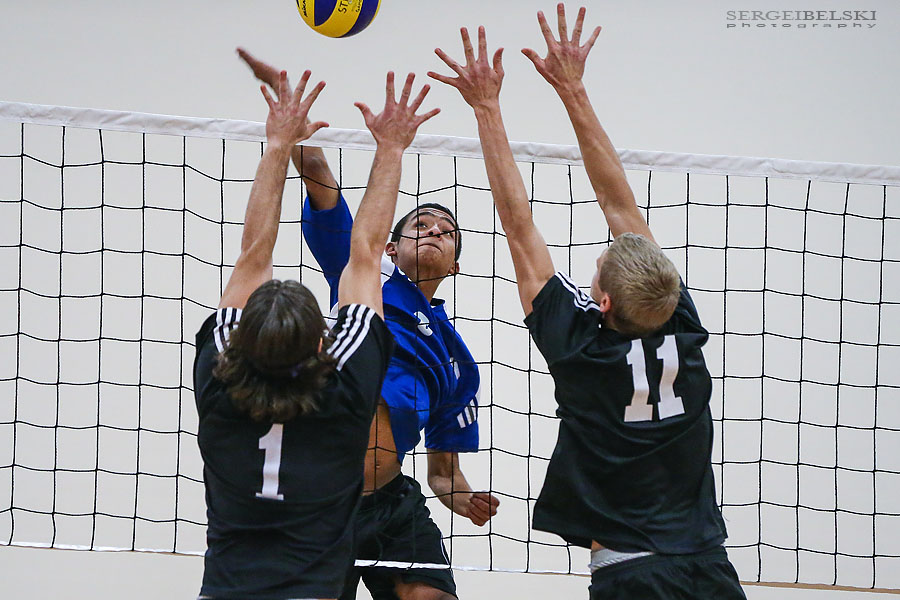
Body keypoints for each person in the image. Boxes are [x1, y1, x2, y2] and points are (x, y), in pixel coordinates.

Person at [428, 5, 746, 599]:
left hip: (632, 572)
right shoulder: (680, 322)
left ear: (600, 302)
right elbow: (622, 207)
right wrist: (574, 89)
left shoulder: (578, 349)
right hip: (709, 562)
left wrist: (487, 108)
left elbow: (519, 229)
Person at [238, 50, 499, 600]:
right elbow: (321, 186)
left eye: (446, 230)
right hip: (321, 498)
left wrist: (465, 498)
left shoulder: (457, 360)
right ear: (393, 245)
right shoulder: (365, 276)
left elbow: (443, 474)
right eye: (418, 224)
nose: (432, 230)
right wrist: (297, 133)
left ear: (455, 262)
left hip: (391, 504)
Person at [193, 66, 439, 599]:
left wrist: (278, 144)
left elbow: (251, 256)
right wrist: (391, 147)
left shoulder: (220, 382)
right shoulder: (346, 390)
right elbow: (367, 253)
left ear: (244, 341)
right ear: (324, 343)